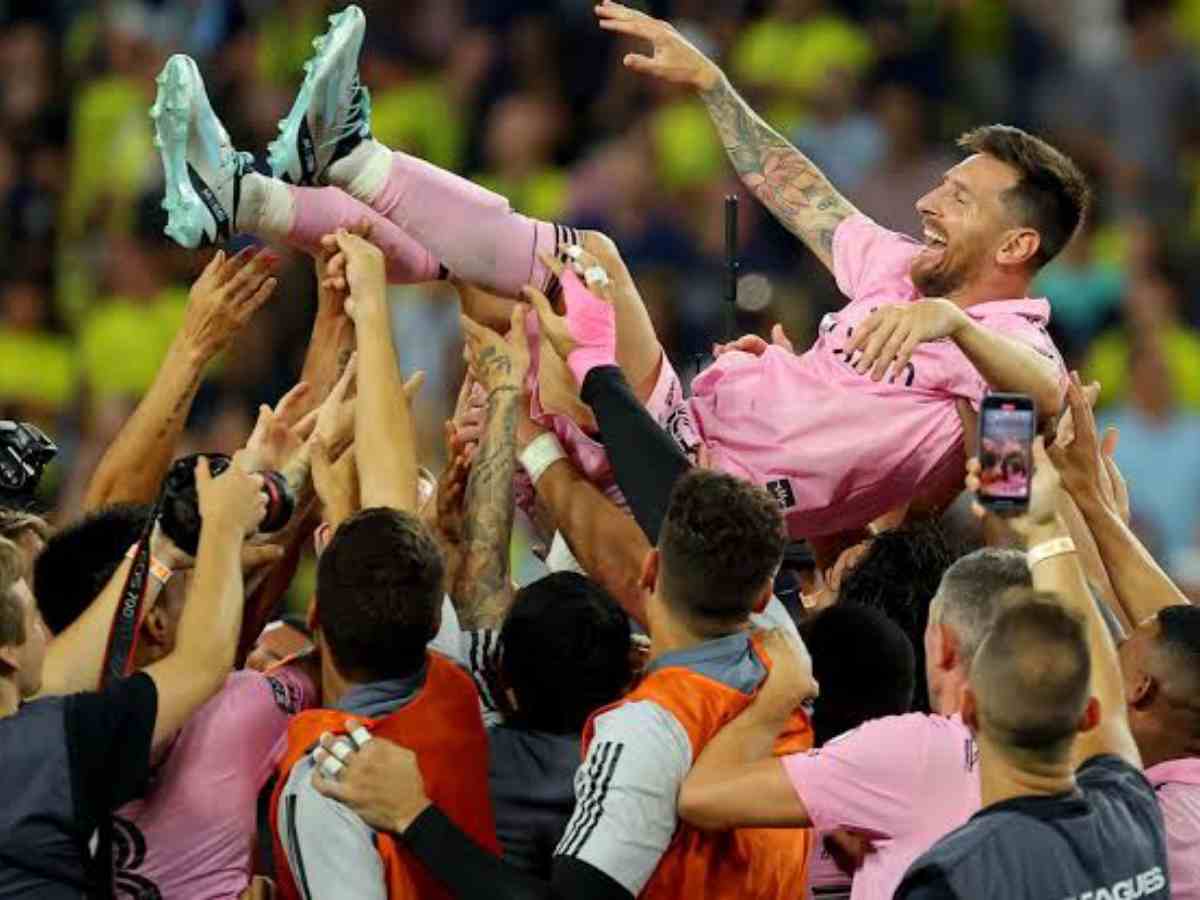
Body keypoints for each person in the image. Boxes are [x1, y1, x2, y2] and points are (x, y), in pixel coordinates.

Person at [156, 4, 1070, 541]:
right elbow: (804, 196)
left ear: (1016, 246)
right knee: (488, 284)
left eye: (958, 197)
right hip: (692, 422)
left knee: (588, 263)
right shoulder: (906, 276)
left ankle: (352, 163)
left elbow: (1024, 449)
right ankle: (247, 203)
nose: (928, 205)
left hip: (708, 492)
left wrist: (954, 338)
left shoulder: (1004, 359)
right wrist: (715, 85)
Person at [301, 469, 817, 900]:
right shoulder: (786, 671)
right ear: (762, 595)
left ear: (651, 568)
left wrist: (412, 815)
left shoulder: (645, 730)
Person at [268, 229, 498, 900]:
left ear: (317, 620)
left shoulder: (328, 774)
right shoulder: (453, 685)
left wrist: (369, 308)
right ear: (432, 614)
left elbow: (394, 506)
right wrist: (370, 308)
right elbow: (394, 501)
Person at [893, 436, 1169, 898]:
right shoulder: (1132, 813)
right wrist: (1045, 526)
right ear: (1088, 714)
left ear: (970, 709)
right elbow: (1107, 699)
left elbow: (1105, 700)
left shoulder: (951, 878)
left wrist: (1045, 524)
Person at [0, 457, 268, 897]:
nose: (45, 634)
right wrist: (224, 527)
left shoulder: (34, 735)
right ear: (8, 651)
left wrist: (161, 549)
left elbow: (65, 672)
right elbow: (203, 662)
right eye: (32, 619)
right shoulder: (54, 747)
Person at [1051, 375, 1200, 897]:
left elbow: (1076, 607)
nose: (1114, 634)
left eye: (1121, 645)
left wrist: (1045, 517)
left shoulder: (1138, 827)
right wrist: (1095, 509)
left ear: (1137, 689)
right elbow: (1182, 641)